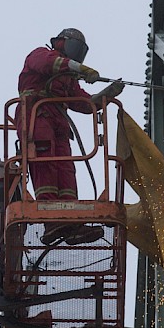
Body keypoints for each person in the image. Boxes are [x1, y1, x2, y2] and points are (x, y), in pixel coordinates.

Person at [17, 28, 124, 244]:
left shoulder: (68, 80)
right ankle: (51, 220)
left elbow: (82, 103)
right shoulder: (40, 54)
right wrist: (81, 69)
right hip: (36, 116)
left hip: (57, 121)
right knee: (46, 163)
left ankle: (71, 221)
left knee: (66, 167)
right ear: (62, 43)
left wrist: (105, 95)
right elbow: (51, 64)